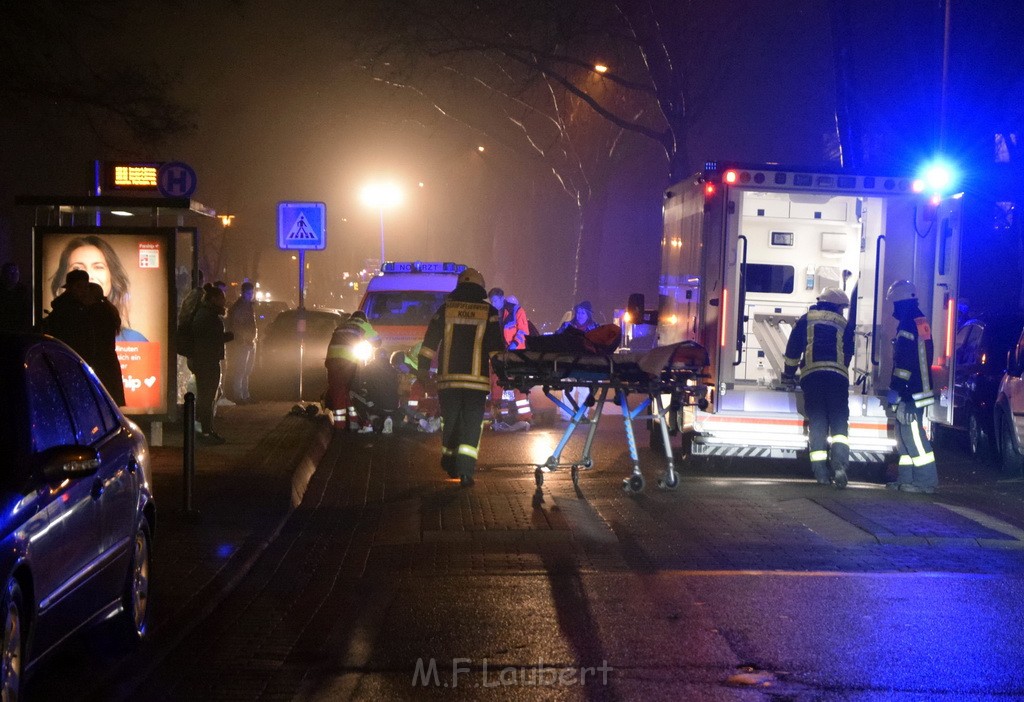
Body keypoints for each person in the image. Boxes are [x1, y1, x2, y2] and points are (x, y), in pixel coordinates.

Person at [417, 267, 505, 486]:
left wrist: (422, 368)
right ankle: (466, 471)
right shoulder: (489, 312)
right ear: (480, 287)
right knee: (472, 424)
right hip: (476, 383)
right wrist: (504, 374)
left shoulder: (445, 309)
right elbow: (496, 349)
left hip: (448, 381)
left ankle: (449, 460)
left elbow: (429, 343)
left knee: (451, 421)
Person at [781, 287, 854, 488]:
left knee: (818, 422)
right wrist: (840, 367)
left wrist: (789, 372)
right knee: (839, 423)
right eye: (842, 308)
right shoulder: (843, 324)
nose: (843, 312)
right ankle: (840, 466)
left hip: (812, 377)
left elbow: (793, 347)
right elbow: (848, 351)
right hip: (837, 378)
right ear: (837, 306)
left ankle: (820, 473)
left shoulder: (807, 319)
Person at [884, 280, 938, 493]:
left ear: (900, 301)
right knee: (903, 437)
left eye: (894, 303)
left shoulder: (908, 323)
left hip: (911, 393)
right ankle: (906, 479)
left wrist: (898, 390)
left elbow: (905, 363)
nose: (893, 308)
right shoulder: (918, 320)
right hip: (917, 390)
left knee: (914, 436)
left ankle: (925, 482)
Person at [50, 235, 147, 342]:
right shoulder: (57, 322)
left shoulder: (135, 339)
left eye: (98, 267)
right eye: (77, 268)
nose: (89, 276)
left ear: (112, 275)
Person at [188, 285, 234, 444]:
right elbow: (208, 338)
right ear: (213, 299)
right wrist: (227, 336)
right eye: (221, 297)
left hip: (205, 360)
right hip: (206, 361)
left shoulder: (206, 314)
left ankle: (206, 429)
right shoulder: (207, 315)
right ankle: (205, 431)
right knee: (207, 397)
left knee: (207, 396)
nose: (224, 301)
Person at [487, 287, 532, 429]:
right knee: (495, 384)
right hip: (499, 355)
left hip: (515, 355)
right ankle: (497, 417)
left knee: (518, 385)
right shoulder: (492, 314)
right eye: (491, 301)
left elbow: (523, 332)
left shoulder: (517, 311)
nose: (493, 304)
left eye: (495, 301)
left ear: (502, 298)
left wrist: (513, 345)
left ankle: (525, 418)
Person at [324, 311, 371, 430]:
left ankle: (343, 424)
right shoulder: (363, 324)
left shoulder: (342, 325)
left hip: (332, 360)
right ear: (364, 319)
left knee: (338, 390)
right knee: (351, 390)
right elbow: (378, 341)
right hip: (348, 362)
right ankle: (350, 424)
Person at [556, 300, 599, 420]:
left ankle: (582, 415)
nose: (579, 315)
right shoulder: (567, 325)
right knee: (567, 388)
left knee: (584, 389)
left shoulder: (595, 328)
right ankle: (565, 414)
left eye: (583, 313)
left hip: (587, 364)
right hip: (568, 362)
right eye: (578, 312)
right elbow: (556, 338)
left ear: (588, 315)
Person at [225, 281, 258, 403]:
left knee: (246, 370)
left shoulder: (247, 306)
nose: (251, 295)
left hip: (248, 342)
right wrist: (244, 339)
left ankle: (245, 395)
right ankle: (239, 396)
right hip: (243, 343)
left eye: (252, 293)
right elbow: (238, 325)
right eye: (249, 293)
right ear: (243, 293)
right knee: (241, 370)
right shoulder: (241, 307)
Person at [0, 262, 31, 333]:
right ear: (4, 274)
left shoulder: (22, 290)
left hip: (19, 329)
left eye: (17, 272)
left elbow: (26, 310)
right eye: (11, 272)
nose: (14, 275)